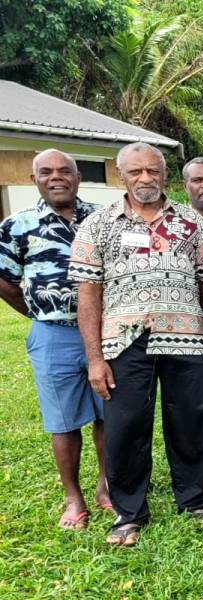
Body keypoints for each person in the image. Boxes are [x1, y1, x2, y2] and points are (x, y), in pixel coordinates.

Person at [70, 142, 203, 547]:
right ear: (122, 175)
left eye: (152, 171)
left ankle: (196, 499)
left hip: (188, 336)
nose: (145, 179)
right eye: (136, 172)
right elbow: (88, 295)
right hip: (124, 341)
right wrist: (95, 359)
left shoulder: (191, 222)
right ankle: (129, 513)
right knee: (126, 426)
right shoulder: (99, 224)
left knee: (192, 418)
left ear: (165, 174)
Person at [0, 149, 107, 530]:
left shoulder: (103, 218)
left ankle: (105, 486)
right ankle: (73, 497)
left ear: (78, 177)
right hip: (53, 336)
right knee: (62, 420)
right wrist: (36, 312)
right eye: (47, 172)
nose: (56, 177)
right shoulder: (17, 225)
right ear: (35, 180)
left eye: (65, 171)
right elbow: (5, 279)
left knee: (108, 413)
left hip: (106, 333)